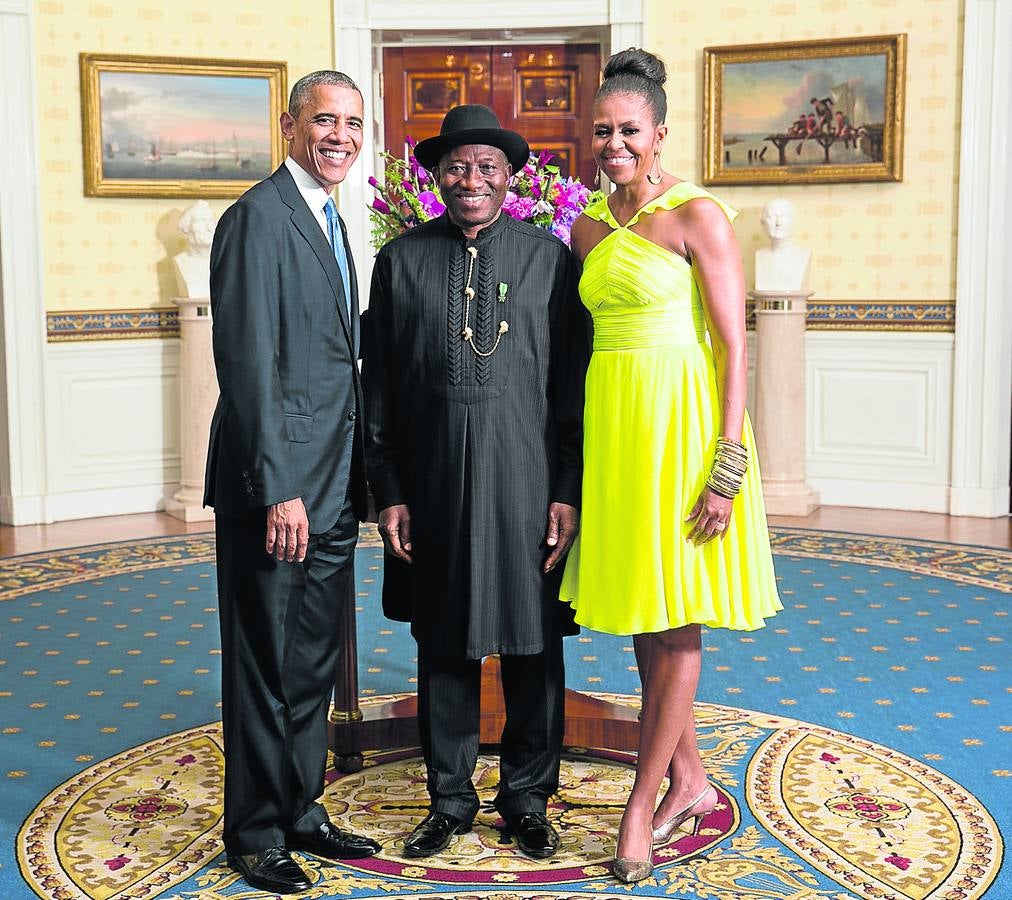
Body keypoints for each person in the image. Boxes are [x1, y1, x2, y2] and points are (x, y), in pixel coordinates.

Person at [558, 49, 781, 883]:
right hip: (616, 431)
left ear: (659, 132)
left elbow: (732, 344)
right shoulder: (584, 227)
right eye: (604, 132)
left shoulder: (699, 216)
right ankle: (688, 776)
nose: (616, 144)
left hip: (686, 432)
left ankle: (639, 809)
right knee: (647, 615)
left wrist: (728, 461)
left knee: (678, 618)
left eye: (630, 131)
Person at [362, 104, 589, 862]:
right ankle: (450, 800)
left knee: (534, 647)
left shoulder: (550, 260)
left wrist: (567, 488)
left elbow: (571, 388)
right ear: (436, 175)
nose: (472, 180)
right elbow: (380, 390)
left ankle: (528, 797)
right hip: (432, 485)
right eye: (458, 166)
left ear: (510, 177)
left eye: (487, 167)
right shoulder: (399, 261)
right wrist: (388, 489)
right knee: (445, 644)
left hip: (527, 482)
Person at [204, 70, 381, 895]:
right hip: (276, 493)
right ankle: (256, 830)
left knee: (313, 663)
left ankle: (302, 807)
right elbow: (246, 370)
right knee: (264, 665)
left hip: (334, 488)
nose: (339, 135)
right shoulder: (256, 219)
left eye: (351, 121)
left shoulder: (334, 221)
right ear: (288, 126)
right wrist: (279, 488)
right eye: (324, 120)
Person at [755, 197, 811, 292]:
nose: (779, 223)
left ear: (795, 221)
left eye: (785, 217)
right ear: (762, 223)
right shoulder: (759, 255)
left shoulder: (804, 255)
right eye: (772, 217)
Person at [173, 199, 216, 298]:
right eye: (201, 222)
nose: (209, 228)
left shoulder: (222, 262)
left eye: (211, 222)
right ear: (185, 229)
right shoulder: (179, 261)